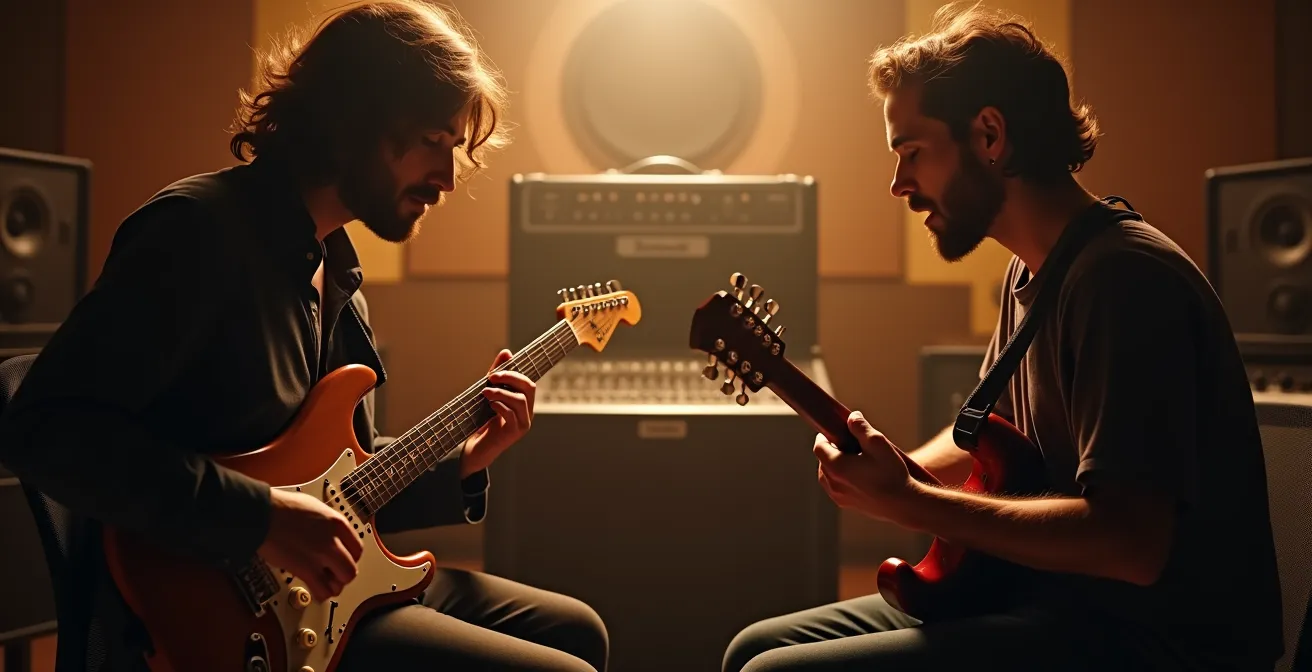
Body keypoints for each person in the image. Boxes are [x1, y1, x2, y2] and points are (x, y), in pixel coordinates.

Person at [0, 2, 608, 671]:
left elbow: (341, 494)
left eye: (455, 147)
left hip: (320, 599)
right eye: (433, 140)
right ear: (356, 117)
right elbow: (44, 428)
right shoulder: (196, 234)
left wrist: (464, 459)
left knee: (577, 629)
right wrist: (260, 516)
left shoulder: (338, 269)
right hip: (220, 621)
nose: (449, 177)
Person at [723, 3, 1283, 671]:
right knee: (756, 647)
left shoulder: (1125, 281)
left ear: (989, 135)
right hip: (1050, 600)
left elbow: (1130, 546)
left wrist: (909, 501)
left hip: (1144, 638)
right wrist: (890, 473)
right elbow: (990, 440)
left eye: (911, 152)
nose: (899, 184)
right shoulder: (1035, 267)